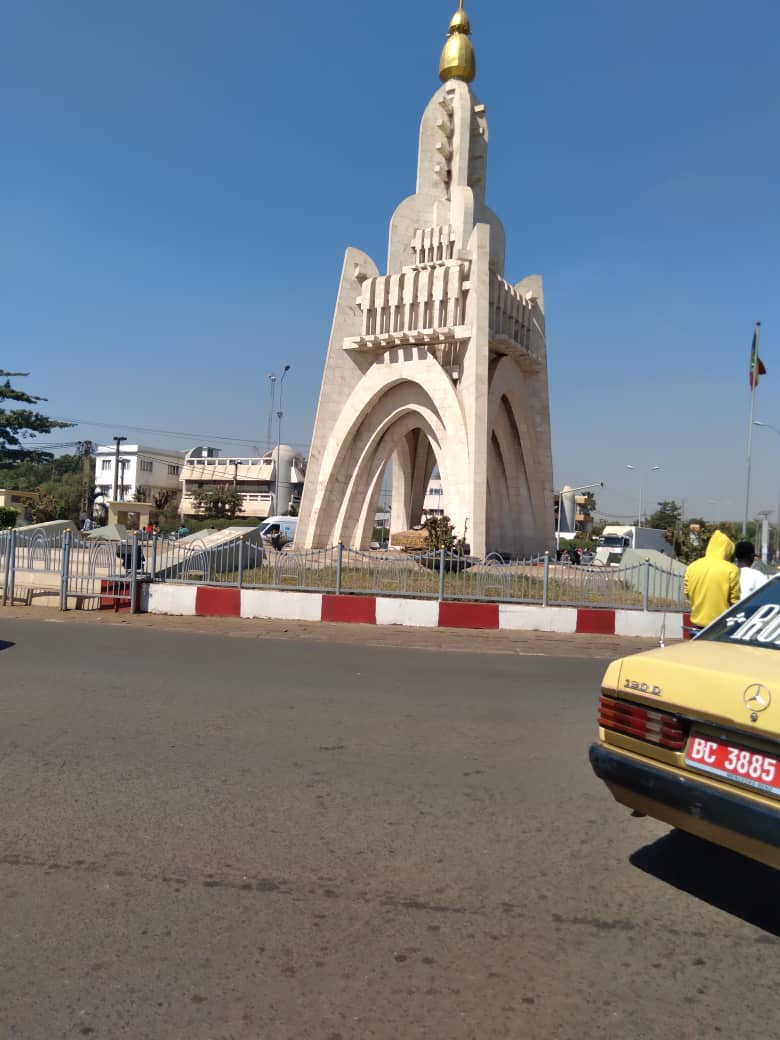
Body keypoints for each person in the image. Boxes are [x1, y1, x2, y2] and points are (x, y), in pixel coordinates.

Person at [683, 529, 740, 631]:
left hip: (697, 626)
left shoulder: (692, 567)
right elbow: (735, 600)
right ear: (727, 550)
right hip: (722, 626)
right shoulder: (731, 569)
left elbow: (687, 593)